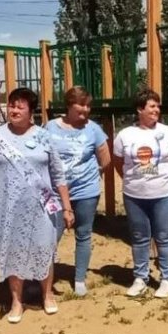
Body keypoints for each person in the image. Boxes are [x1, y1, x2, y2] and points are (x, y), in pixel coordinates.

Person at [0, 87, 74, 322]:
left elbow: (58, 175)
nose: (14, 110)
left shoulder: (44, 137)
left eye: (19, 106)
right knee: (13, 252)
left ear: (30, 111)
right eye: (11, 105)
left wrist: (66, 207)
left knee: (44, 249)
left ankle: (47, 295)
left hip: (42, 208)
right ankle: (16, 301)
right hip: (7, 208)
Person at [113, 89, 168, 298]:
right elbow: (119, 162)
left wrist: (161, 178)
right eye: (152, 106)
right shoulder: (125, 135)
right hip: (134, 196)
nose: (157, 110)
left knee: (164, 237)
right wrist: (134, 180)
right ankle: (140, 278)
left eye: (158, 106)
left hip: (164, 194)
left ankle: (166, 279)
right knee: (139, 237)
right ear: (140, 109)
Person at [45, 86, 110, 297]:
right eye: (81, 106)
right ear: (69, 106)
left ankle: (79, 278)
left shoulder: (94, 129)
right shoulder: (50, 127)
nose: (85, 110)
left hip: (86, 192)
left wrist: (93, 173)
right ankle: (43, 279)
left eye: (88, 106)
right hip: (55, 193)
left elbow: (105, 158)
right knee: (49, 237)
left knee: (83, 234)